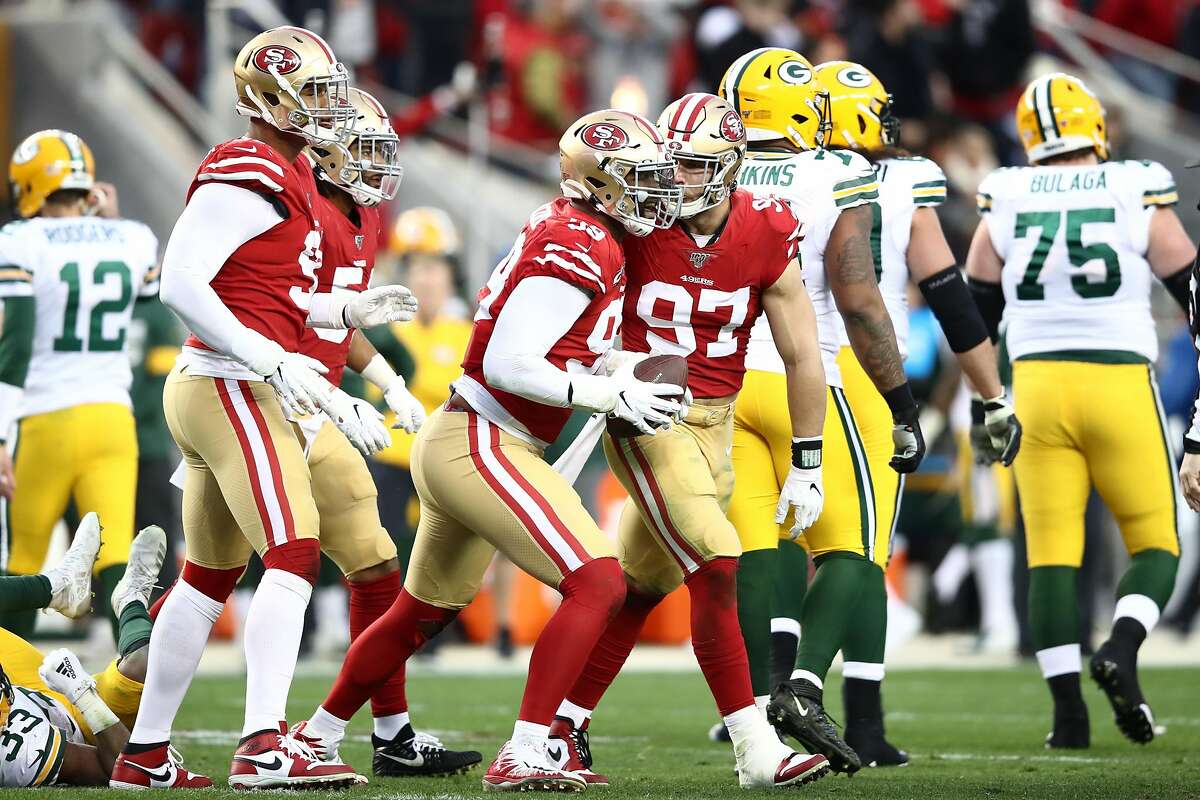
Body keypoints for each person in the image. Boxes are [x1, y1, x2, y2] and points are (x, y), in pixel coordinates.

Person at [292, 108, 687, 792]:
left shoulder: (591, 231)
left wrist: (619, 370)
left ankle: (313, 737)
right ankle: (528, 750)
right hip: (484, 435)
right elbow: (508, 361)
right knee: (598, 582)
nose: (654, 194)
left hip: (477, 435)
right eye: (637, 179)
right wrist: (608, 395)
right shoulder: (583, 241)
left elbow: (563, 350)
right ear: (597, 183)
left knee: (421, 613)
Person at [110, 26, 417, 789]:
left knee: (208, 578)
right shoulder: (247, 165)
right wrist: (274, 359)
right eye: (312, 91)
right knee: (293, 554)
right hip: (228, 380)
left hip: (224, 379)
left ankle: (145, 755)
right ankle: (263, 746)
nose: (326, 105)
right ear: (268, 98)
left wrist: (340, 316)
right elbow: (180, 283)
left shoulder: (292, 171)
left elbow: (269, 293)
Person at [549, 92, 831, 790]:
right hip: (647, 417)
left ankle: (561, 730)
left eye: (696, 166)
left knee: (642, 587)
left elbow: (802, 352)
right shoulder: (634, 223)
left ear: (733, 166)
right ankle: (755, 746)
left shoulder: (766, 229)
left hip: (718, 422)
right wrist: (607, 370)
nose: (675, 181)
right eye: (670, 165)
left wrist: (808, 461)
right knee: (719, 557)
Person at [795, 60, 1021, 765]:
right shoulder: (897, 178)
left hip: (767, 373)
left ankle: (759, 699)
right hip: (859, 373)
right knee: (861, 549)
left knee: (780, 544)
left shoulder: (764, 173)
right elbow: (949, 295)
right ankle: (853, 717)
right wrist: (992, 392)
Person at [965, 72, 1195, 749]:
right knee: (1157, 544)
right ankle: (1121, 648)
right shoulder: (1133, 182)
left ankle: (1068, 717)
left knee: (1051, 558)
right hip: (1118, 381)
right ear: (1094, 127)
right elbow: (1189, 286)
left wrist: (989, 401)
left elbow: (975, 309)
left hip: (1034, 386)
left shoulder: (1005, 191)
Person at [720, 47, 922, 774]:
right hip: (806, 380)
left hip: (725, 386)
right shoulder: (836, 170)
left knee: (754, 554)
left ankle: (758, 722)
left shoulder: (715, 167)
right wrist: (900, 401)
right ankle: (802, 686)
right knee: (855, 552)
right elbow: (861, 300)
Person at [299, 87, 481, 777]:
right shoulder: (293, 204)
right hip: (274, 405)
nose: (376, 165)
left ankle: (382, 731)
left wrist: (389, 386)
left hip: (374, 437)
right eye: (365, 150)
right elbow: (280, 313)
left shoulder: (360, 225)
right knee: (267, 566)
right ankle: (277, 736)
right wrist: (352, 393)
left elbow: (338, 330)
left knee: (376, 566)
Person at [0, 130, 158, 642]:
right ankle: (134, 667)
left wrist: (0, 434)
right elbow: (150, 297)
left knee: (22, 558)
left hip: (45, 419)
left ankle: (11, 687)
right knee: (118, 559)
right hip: (113, 418)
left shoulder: (19, 241)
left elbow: (16, 345)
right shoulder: (133, 237)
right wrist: (109, 227)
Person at [0, 521, 171, 787]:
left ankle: (57, 587)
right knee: (144, 662)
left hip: (24, 689)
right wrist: (81, 693)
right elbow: (121, 769)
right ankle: (130, 602)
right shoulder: (18, 752)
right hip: (79, 720)